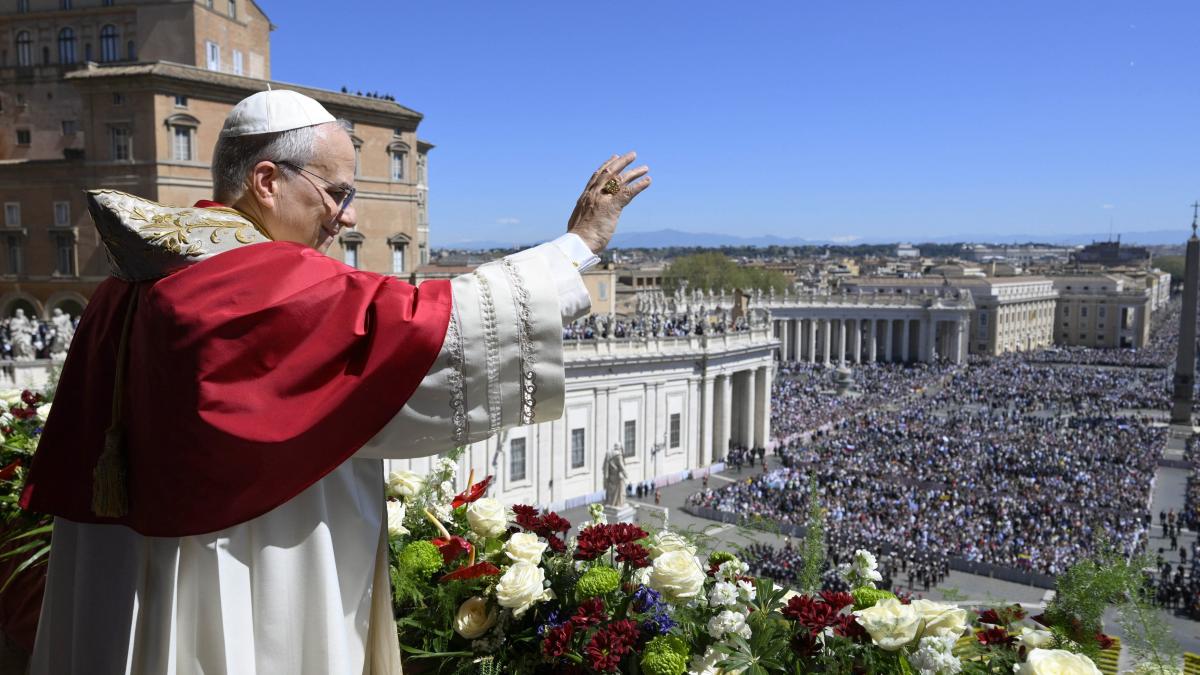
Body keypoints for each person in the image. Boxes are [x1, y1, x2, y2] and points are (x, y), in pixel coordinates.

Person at [22, 90, 651, 674]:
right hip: (246, 560)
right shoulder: (257, 280)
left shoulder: (135, 275)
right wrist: (578, 245)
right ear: (267, 182)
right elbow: (428, 329)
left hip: (130, 568)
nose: (345, 220)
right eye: (336, 194)